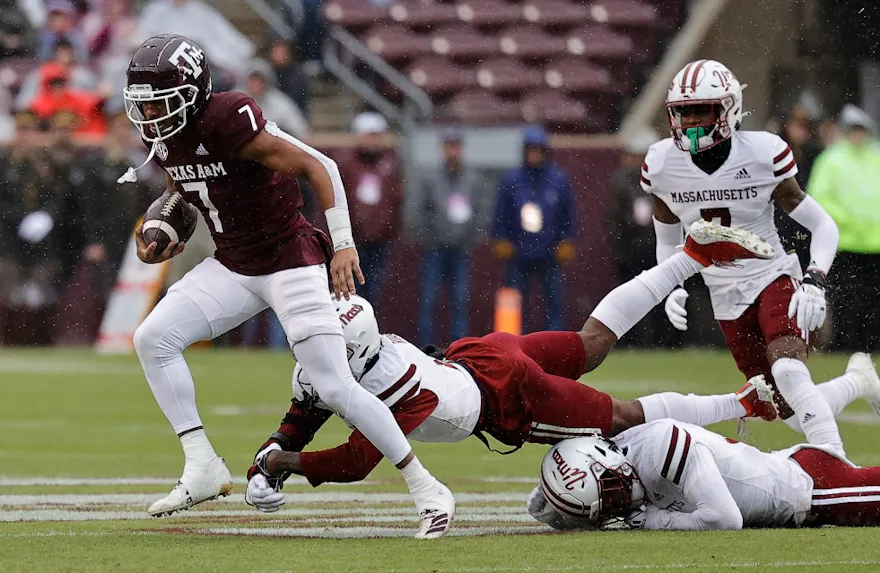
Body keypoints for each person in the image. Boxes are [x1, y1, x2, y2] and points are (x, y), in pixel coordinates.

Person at [242, 222, 859, 512]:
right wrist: (270, 455)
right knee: (592, 343)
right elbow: (305, 409)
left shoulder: (397, 394)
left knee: (620, 419)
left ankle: (744, 405)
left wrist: (288, 462)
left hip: (507, 400)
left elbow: (355, 460)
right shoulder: (357, 353)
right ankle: (686, 260)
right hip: (480, 353)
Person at [120, 34, 454, 539]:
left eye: (160, 103)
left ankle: (427, 486)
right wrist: (161, 226)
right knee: (152, 339)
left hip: (288, 259)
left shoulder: (230, 118)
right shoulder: (167, 138)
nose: (150, 116)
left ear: (193, 92)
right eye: (143, 105)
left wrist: (342, 243)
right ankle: (203, 466)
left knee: (333, 384)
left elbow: (320, 166)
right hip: (233, 263)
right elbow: (185, 186)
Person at [644, 59, 850, 453]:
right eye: (682, 112)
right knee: (783, 407)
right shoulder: (661, 163)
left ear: (728, 109)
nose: (689, 123)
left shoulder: (761, 154)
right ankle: (859, 382)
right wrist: (669, 285)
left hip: (772, 275)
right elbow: (667, 235)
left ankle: (838, 465)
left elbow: (824, 226)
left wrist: (814, 280)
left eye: (700, 111)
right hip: (724, 294)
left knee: (789, 370)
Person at [530, 358, 880, 531]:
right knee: (817, 432)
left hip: (813, 490)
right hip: (794, 468)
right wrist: (550, 488)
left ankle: (858, 381)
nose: (618, 505)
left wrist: (655, 520)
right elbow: (543, 509)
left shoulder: (661, 450)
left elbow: (725, 520)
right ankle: (858, 381)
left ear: (605, 456)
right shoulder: (617, 453)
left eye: (613, 491)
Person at [808, 104, 880, 353]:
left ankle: (871, 343)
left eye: (861, 130)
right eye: (853, 130)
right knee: (847, 299)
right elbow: (819, 198)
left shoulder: (876, 158)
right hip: (846, 243)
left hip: (875, 244)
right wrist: (848, 221)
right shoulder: (831, 159)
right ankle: (846, 344)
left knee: (873, 299)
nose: (858, 135)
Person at [412, 126, 491, 347]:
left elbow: (480, 211)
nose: (452, 151)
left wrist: (468, 238)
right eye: (448, 146)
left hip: (461, 250)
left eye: (455, 146)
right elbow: (420, 211)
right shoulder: (430, 177)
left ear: (461, 148)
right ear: (442, 148)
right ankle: (426, 349)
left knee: (459, 302)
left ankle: (460, 349)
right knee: (428, 301)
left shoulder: (473, 178)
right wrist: (432, 237)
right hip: (435, 249)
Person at [491, 126, 576, 331]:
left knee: (553, 302)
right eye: (530, 149)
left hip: (550, 252)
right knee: (515, 303)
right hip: (517, 251)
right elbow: (500, 213)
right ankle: (513, 344)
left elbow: (568, 213)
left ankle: (554, 344)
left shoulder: (558, 179)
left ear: (545, 151)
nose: (534, 154)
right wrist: (500, 239)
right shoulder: (511, 180)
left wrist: (567, 240)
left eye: (538, 149)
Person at [334, 112, 403, 311]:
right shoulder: (345, 163)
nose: (372, 141)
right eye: (368, 135)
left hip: (380, 239)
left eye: (376, 135)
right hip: (351, 239)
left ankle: (368, 332)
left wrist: (390, 229)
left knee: (374, 291)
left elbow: (396, 200)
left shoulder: (390, 164)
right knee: (349, 291)